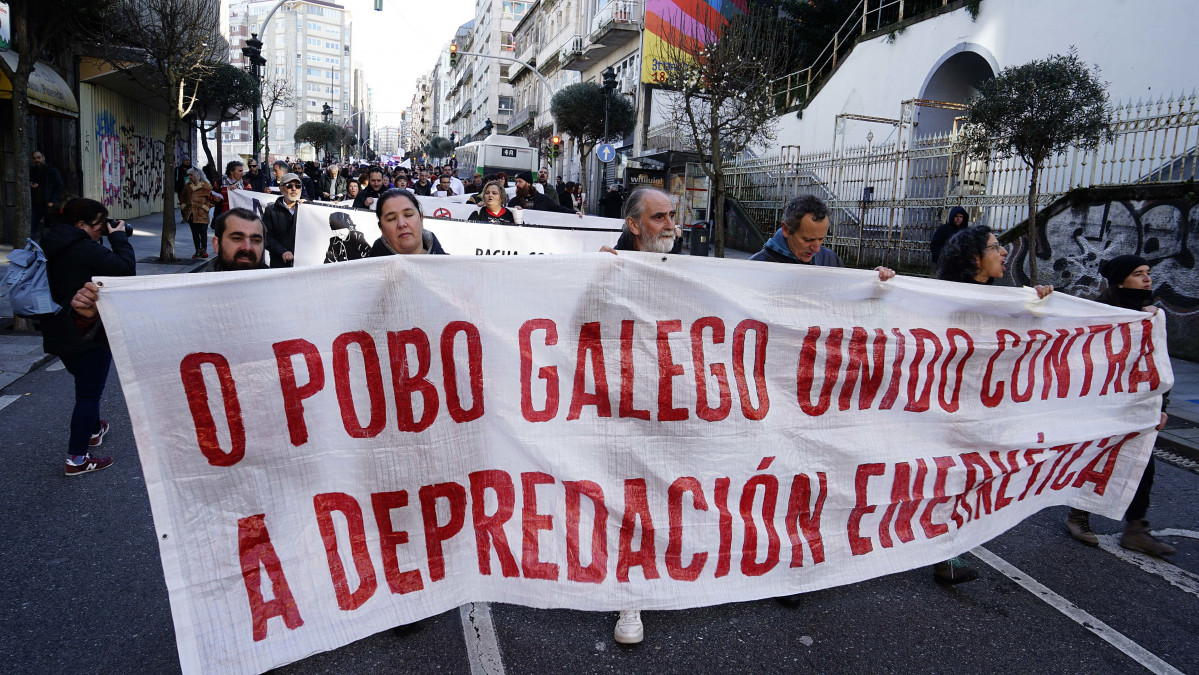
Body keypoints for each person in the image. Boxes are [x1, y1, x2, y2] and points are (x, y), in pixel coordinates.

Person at [933, 225, 1052, 583]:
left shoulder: (1001, 299)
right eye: (996, 247)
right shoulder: (944, 298)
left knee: (969, 478)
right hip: (945, 409)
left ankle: (947, 552)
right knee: (949, 478)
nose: (1003, 252)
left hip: (981, 409)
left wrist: (1040, 305)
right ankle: (941, 554)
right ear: (974, 258)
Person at [1063, 255, 1175, 556]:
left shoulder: (1152, 317)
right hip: (1102, 403)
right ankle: (1078, 515)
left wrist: (1162, 405)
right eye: (1138, 274)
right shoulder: (1102, 315)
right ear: (1119, 281)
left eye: (1148, 273)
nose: (1147, 279)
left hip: (1137, 404)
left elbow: (1157, 367)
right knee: (1095, 456)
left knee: (1141, 462)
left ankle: (1136, 527)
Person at [39, 198, 136, 476]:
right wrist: (118, 239)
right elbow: (125, 270)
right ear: (80, 225)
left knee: (85, 383)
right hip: (88, 329)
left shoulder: (50, 242)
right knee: (88, 394)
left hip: (57, 330)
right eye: (98, 225)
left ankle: (94, 428)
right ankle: (77, 458)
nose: (101, 230)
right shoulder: (83, 248)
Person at [749, 196, 896, 282]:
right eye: (807, 240)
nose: (817, 248)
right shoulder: (757, 267)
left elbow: (849, 297)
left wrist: (874, 280)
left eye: (821, 239)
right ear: (786, 230)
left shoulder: (830, 260)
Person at [368, 188, 447, 256]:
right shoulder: (365, 271)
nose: (402, 224)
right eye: (391, 219)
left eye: (408, 215)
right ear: (381, 228)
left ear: (421, 217)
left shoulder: (452, 267)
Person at [263, 173, 304, 268]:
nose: (294, 189)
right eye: (289, 185)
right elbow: (266, 237)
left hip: (303, 265)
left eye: (297, 186)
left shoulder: (307, 209)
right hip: (280, 264)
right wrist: (282, 251)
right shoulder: (271, 211)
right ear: (281, 189)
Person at [180, 168, 216, 258]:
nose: (189, 177)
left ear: (197, 175)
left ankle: (204, 250)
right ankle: (197, 250)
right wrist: (184, 205)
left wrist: (206, 206)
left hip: (201, 212)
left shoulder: (206, 186)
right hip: (190, 213)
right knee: (194, 233)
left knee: (203, 232)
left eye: (191, 175)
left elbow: (213, 198)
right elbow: (182, 196)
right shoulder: (188, 186)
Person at [30, 150, 64, 240]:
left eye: (38, 158)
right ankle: (28, 247)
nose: (36, 160)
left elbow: (59, 187)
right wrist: (31, 184)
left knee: (56, 226)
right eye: (34, 158)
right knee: (31, 226)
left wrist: (53, 201)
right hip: (36, 204)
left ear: (43, 158)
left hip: (48, 205)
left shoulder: (52, 171)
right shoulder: (32, 171)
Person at [509, 171, 576, 214]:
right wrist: (513, 211)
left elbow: (558, 208)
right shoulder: (514, 202)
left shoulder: (543, 199)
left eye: (520, 181)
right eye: (516, 182)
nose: (517, 184)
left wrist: (574, 212)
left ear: (528, 183)